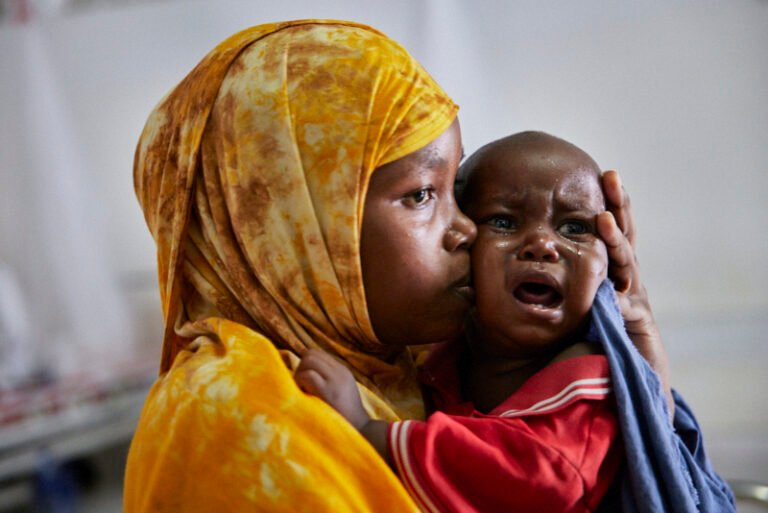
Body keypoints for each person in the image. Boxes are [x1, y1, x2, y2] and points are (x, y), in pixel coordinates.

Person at [125, 19, 665, 513]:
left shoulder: (400, 356)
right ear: (295, 225)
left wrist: (632, 331)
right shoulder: (235, 419)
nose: (467, 230)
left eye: (455, 193)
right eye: (423, 194)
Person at [296, 131, 736, 513]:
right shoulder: (437, 352)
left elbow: (535, 478)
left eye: (576, 228)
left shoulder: (590, 378)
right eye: (504, 221)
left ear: (609, 263)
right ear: (459, 241)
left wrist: (369, 430)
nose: (543, 244)